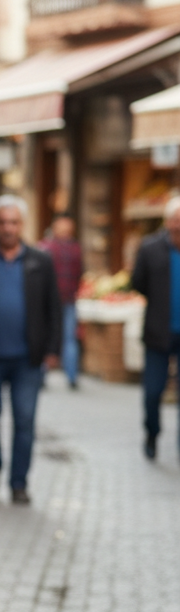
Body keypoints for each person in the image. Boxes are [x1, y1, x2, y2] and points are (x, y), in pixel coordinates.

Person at [0, 196, 61, 504]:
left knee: (25, 421)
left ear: (22, 225)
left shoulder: (40, 261)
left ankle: (19, 482)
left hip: (27, 359)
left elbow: (54, 307)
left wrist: (53, 348)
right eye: (3, 222)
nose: (8, 228)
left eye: (14, 222)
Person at [131, 196, 180, 460]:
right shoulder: (150, 248)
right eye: (175, 220)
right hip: (158, 332)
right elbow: (137, 281)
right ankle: (152, 433)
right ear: (168, 221)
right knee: (152, 392)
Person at [40, 214, 83, 388]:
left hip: (53, 300)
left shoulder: (47, 247)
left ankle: (42, 376)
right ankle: (72, 377)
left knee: (46, 336)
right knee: (69, 339)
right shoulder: (76, 249)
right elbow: (80, 273)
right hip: (67, 299)